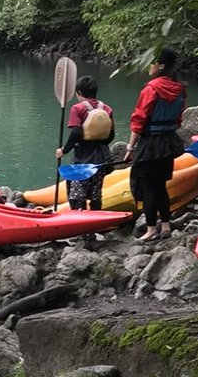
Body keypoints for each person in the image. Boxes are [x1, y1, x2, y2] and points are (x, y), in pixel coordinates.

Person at [124, 47, 187, 241]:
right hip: (168, 143)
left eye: (151, 62)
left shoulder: (151, 89)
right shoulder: (180, 89)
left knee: (149, 186)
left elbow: (139, 120)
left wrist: (130, 148)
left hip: (151, 143)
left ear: (160, 65)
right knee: (161, 185)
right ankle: (166, 226)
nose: (148, 66)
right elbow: (178, 119)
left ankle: (151, 230)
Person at [55, 75, 115, 210]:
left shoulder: (78, 108)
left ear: (79, 93)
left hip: (83, 159)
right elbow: (111, 135)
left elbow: (76, 132)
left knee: (77, 194)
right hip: (101, 158)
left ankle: (79, 223)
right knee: (95, 194)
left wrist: (64, 150)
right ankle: (95, 224)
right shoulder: (106, 109)